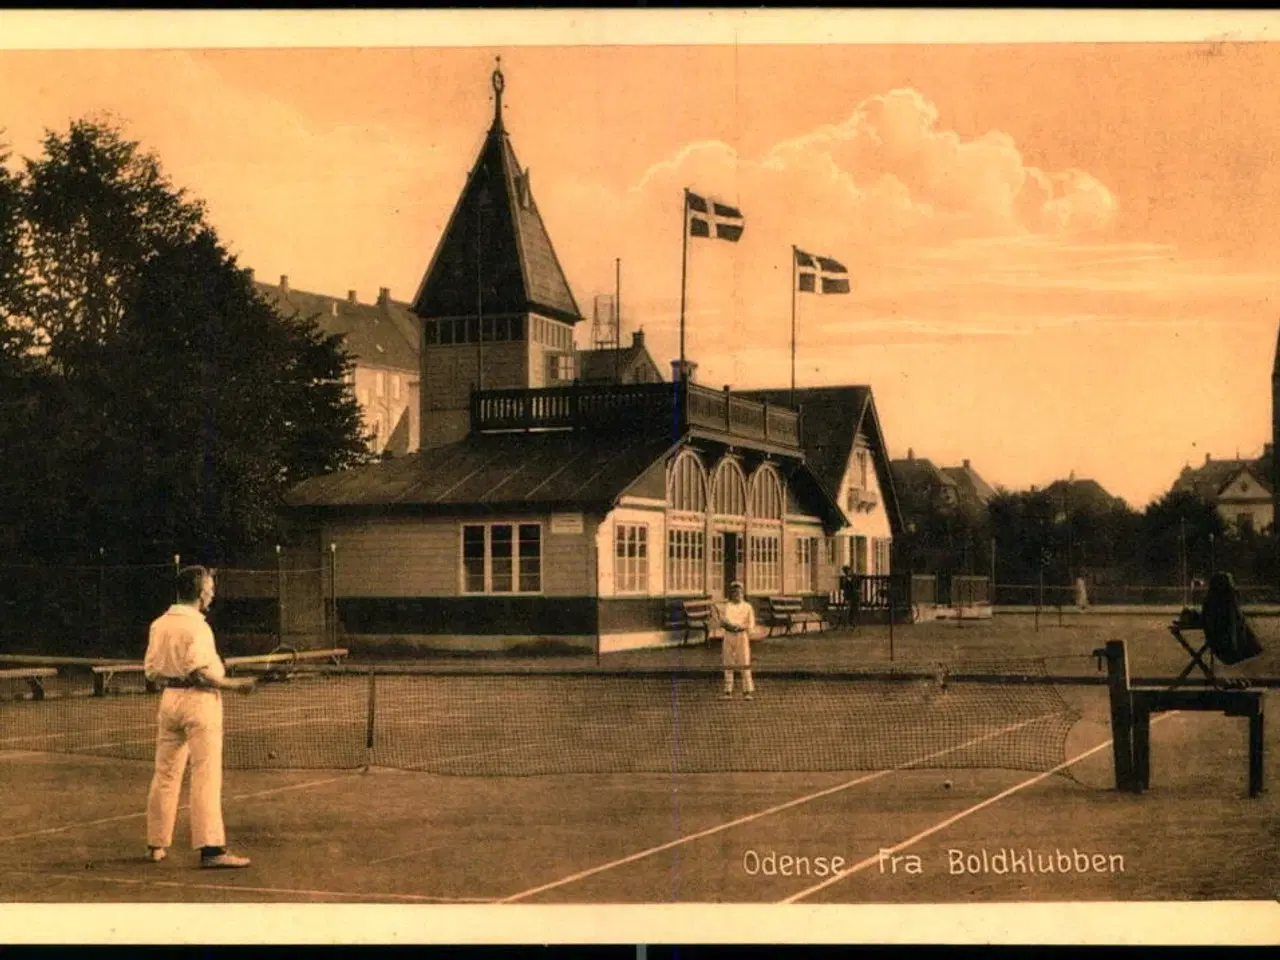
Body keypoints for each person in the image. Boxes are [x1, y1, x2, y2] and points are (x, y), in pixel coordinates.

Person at [143, 565, 256, 868]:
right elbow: (200, 673)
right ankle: (212, 850)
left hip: (169, 701)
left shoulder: (158, 624)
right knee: (206, 774)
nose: (212, 594)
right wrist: (236, 685)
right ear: (200, 591)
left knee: (165, 773)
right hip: (199, 703)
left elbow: (152, 672)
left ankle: (156, 844)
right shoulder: (198, 627)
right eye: (210, 589)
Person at [720, 581, 756, 700]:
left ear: (742, 592)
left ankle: (747, 691)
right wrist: (730, 626)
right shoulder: (727, 606)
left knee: (744, 662)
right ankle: (728, 691)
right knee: (728, 662)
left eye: (739, 591)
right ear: (731, 593)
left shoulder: (748, 606)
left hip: (742, 636)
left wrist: (742, 627)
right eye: (734, 591)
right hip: (729, 635)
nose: (737, 594)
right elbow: (723, 621)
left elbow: (751, 624)